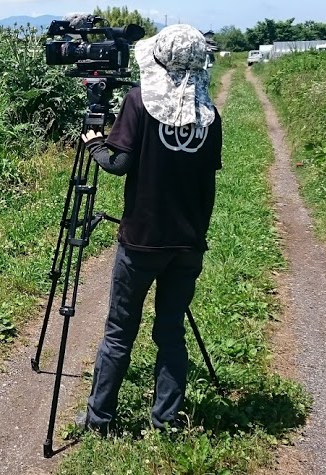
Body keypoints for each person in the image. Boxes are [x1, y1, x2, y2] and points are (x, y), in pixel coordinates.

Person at [77, 23, 223, 434]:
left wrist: (94, 142)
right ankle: (166, 420)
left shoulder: (139, 103)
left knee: (120, 332)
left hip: (142, 242)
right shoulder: (210, 114)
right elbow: (205, 176)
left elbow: (118, 164)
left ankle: (99, 420)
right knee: (170, 330)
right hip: (188, 244)